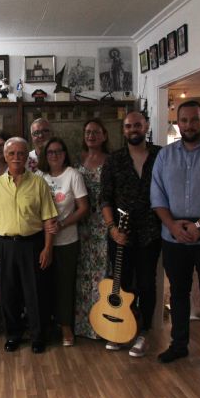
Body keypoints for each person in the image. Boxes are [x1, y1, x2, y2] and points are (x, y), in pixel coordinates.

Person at [151, 100, 200, 374]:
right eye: (183, 121)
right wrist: (172, 226)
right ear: (177, 123)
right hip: (173, 236)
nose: (188, 125)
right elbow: (157, 195)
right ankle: (179, 344)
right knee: (179, 293)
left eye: (194, 120)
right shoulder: (165, 156)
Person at [0, 137, 58, 354]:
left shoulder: (38, 183)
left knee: (35, 293)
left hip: (32, 245)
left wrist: (48, 248)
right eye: (12, 153)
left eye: (21, 153)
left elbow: (48, 219)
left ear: (27, 157)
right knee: (9, 293)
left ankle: (37, 336)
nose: (16, 157)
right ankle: (13, 335)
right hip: (4, 246)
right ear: (5, 156)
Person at [100, 112, 162, 357]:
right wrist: (112, 228)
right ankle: (119, 330)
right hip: (120, 234)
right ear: (123, 130)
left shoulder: (160, 156)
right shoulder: (114, 160)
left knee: (147, 284)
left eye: (137, 125)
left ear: (146, 126)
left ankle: (144, 332)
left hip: (150, 232)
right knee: (122, 285)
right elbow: (105, 198)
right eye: (128, 126)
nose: (133, 129)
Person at [38, 137, 89, 346]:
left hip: (67, 241)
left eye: (58, 151)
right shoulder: (39, 177)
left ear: (65, 153)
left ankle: (66, 326)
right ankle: (47, 326)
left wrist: (63, 224)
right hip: (41, 242)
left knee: (65, 286)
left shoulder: (73, 175)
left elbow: (84, 208)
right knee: (44, 286)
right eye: (50, 152)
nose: (54, 155)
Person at [74, 119, 110, 339]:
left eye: (96, 132)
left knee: (102, 276)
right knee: (82, 275)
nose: (91, 136)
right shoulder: (78, 160)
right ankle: (82, 325)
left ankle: (102, 326)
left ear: (104, 135)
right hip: (80, 224)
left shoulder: (111, 160)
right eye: (87, 132)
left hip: (103, 223)